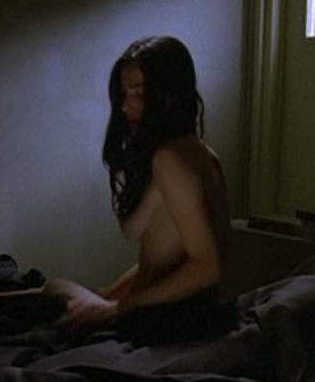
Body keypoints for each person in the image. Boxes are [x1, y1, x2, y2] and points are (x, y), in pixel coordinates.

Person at [47, 36, 232, 341]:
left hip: (167, 320)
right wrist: (111, 295)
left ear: (171, 96)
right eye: (124, 94)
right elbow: (169, 257)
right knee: (60, 292)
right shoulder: (201, 153)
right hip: (162, 310)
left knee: (53, 291)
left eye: (140, 94)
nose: (125, 106)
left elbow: (209, 266)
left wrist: (119, 309)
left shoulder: (171, 160)